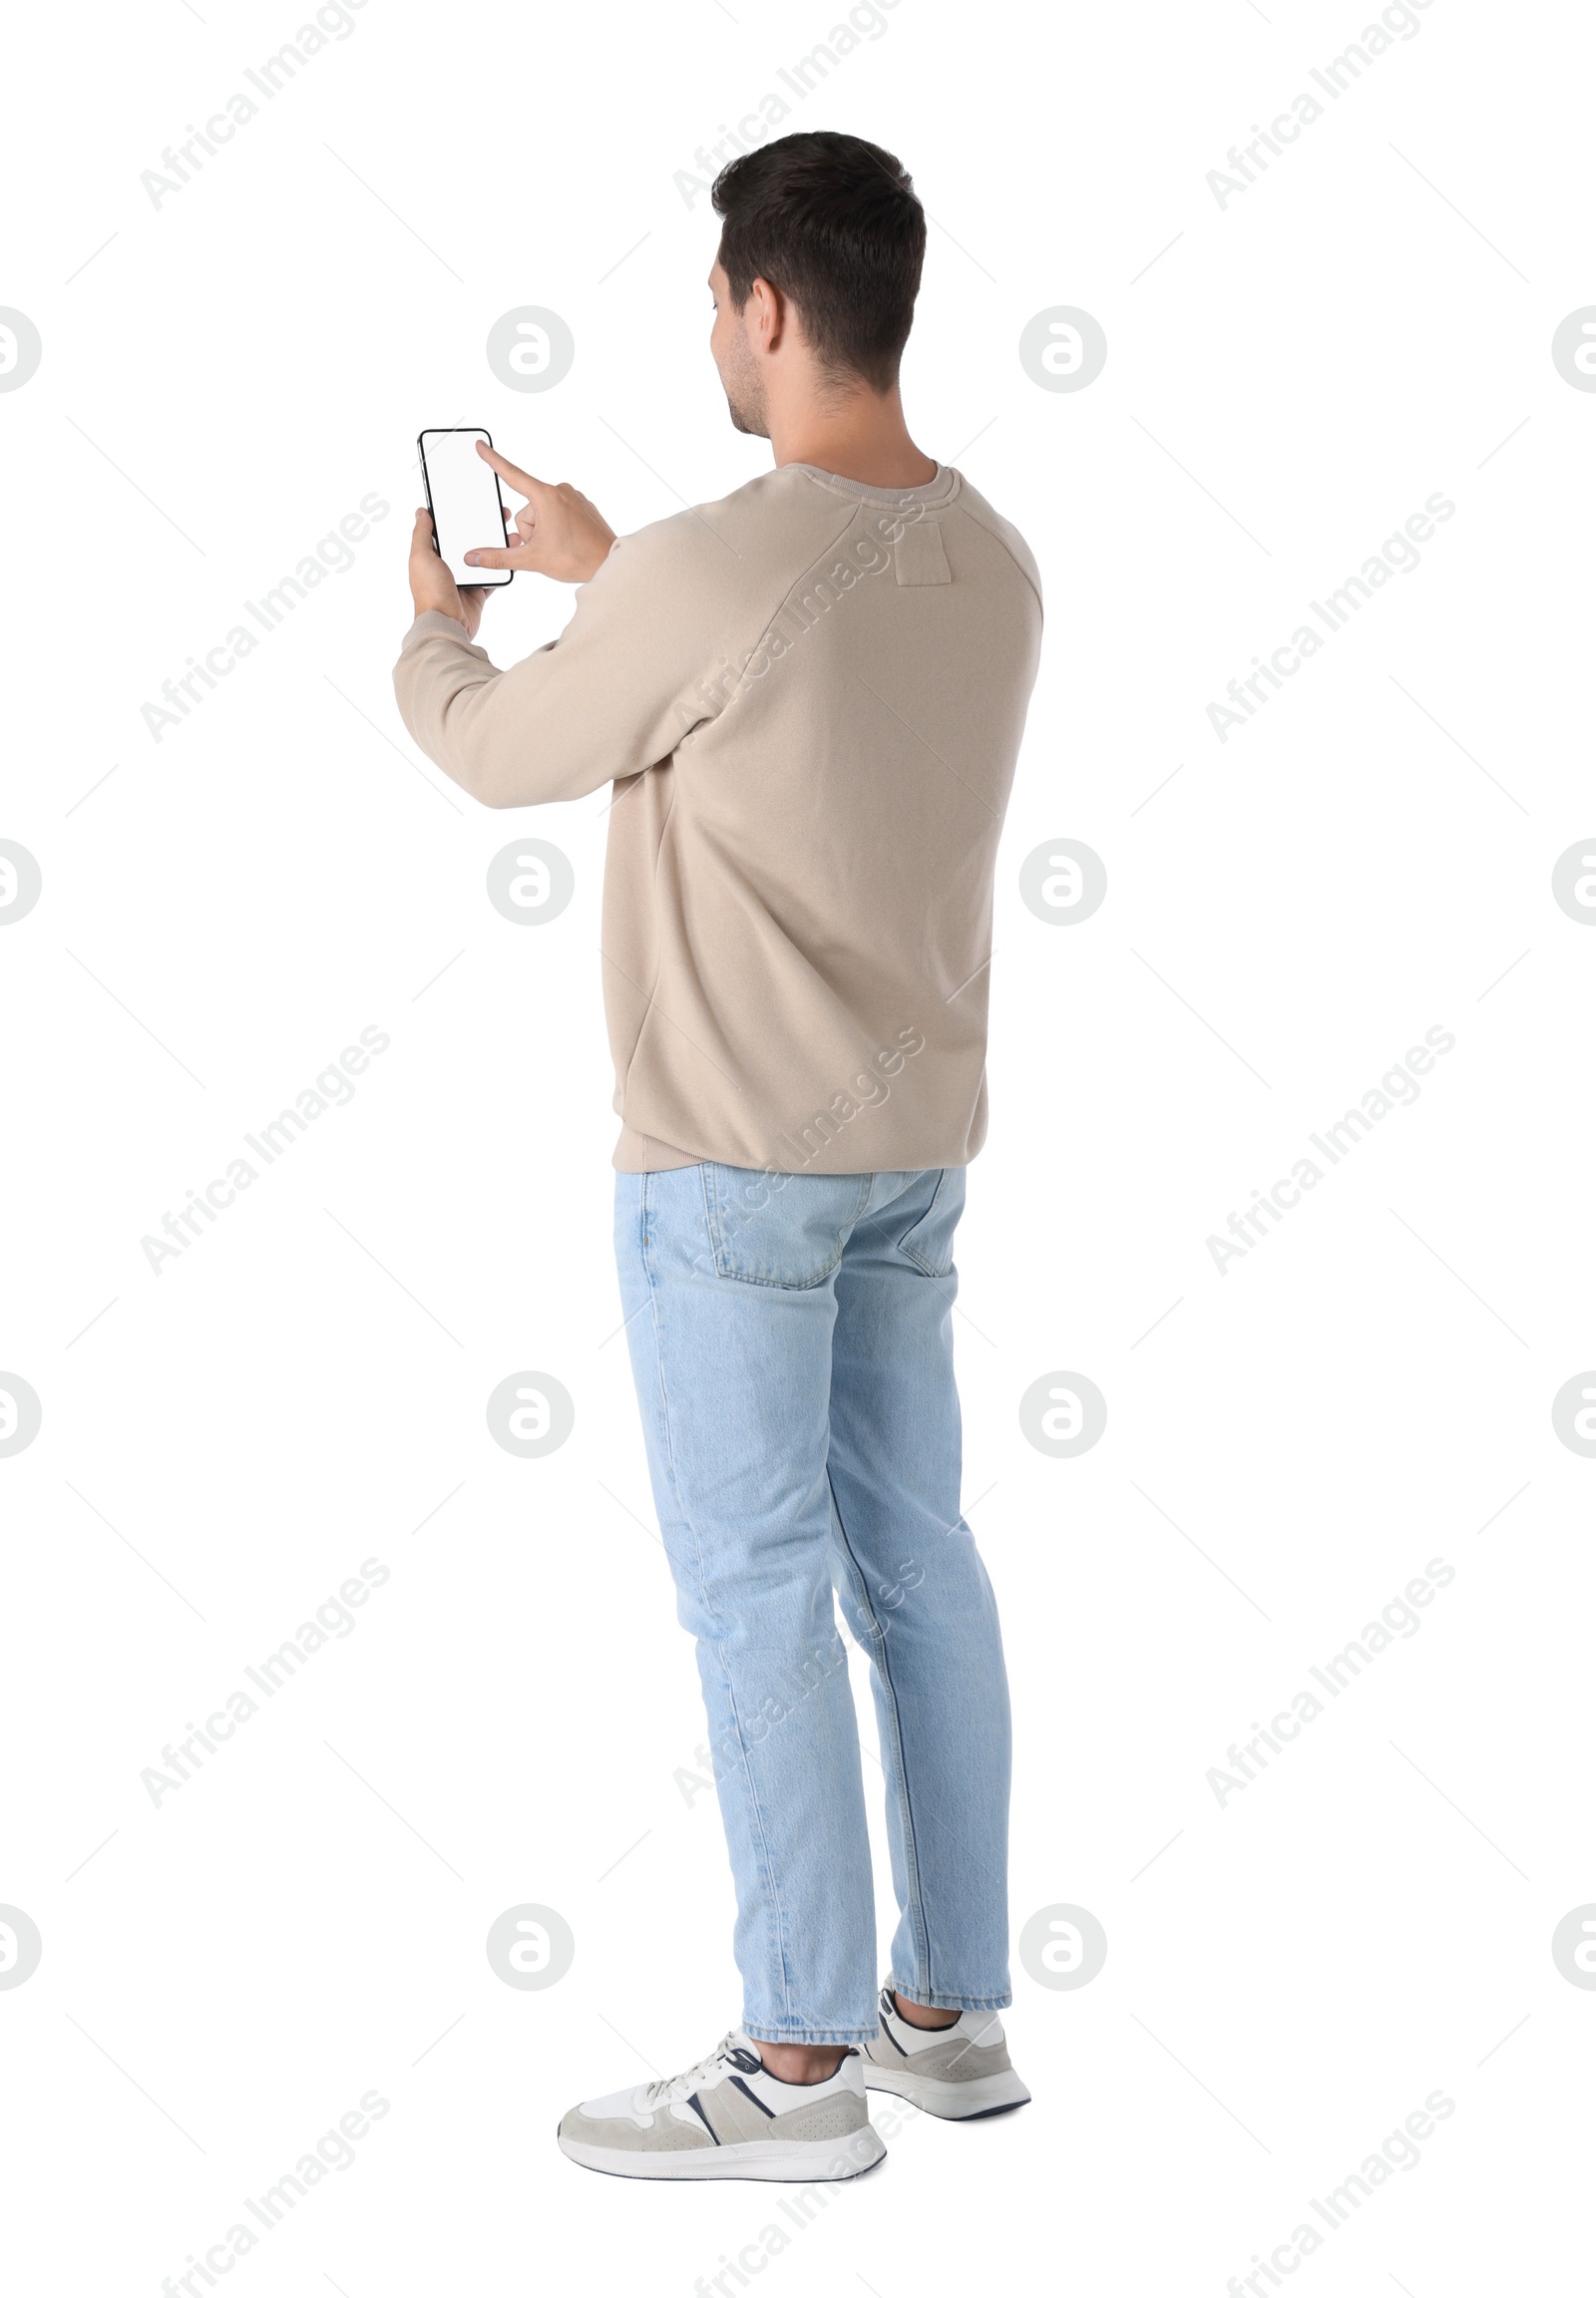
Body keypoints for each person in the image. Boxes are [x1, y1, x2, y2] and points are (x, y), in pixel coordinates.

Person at [394, 130, 1042, 2182]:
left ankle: (786, 2072)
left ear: (768, 304)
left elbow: (501, 750)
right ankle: (941, 2014)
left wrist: (439, 630)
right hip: (906, 1161)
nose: (707, 327)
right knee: (913, 1568)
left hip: (728, 1175)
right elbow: (794, 668)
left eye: (710, 299)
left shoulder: (704, 566)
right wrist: (614, 571)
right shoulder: (990, 557)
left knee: (752, 1590)